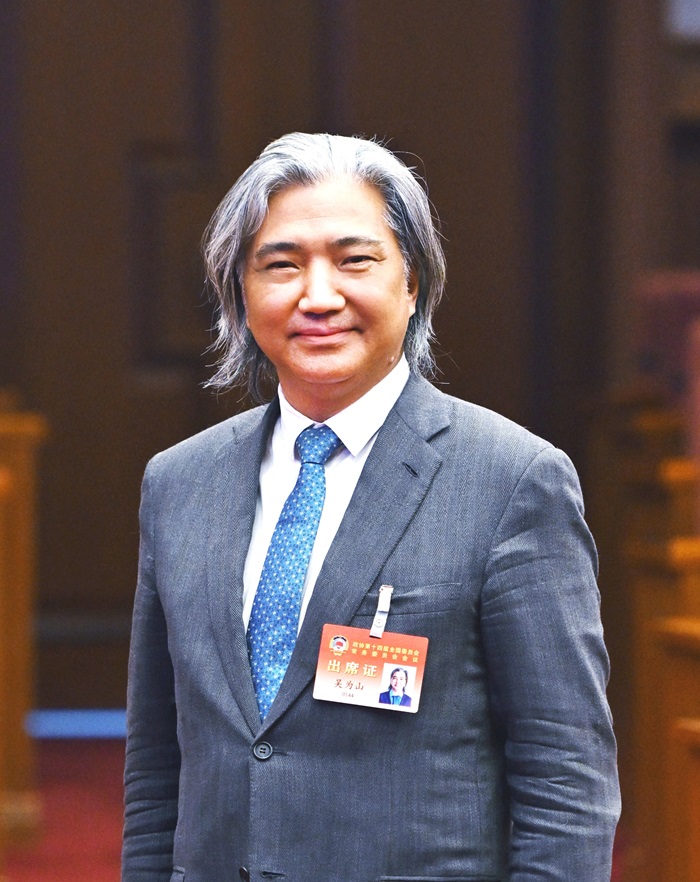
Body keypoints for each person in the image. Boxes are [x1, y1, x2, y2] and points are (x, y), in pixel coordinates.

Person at [122, 132, 620, 882]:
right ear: (239, 293)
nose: (318, 296)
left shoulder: (512, 480)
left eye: (354, 260)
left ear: (412, 283)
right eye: (281, 265)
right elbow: (157, 768)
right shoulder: (179, 482)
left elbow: (566, 779)